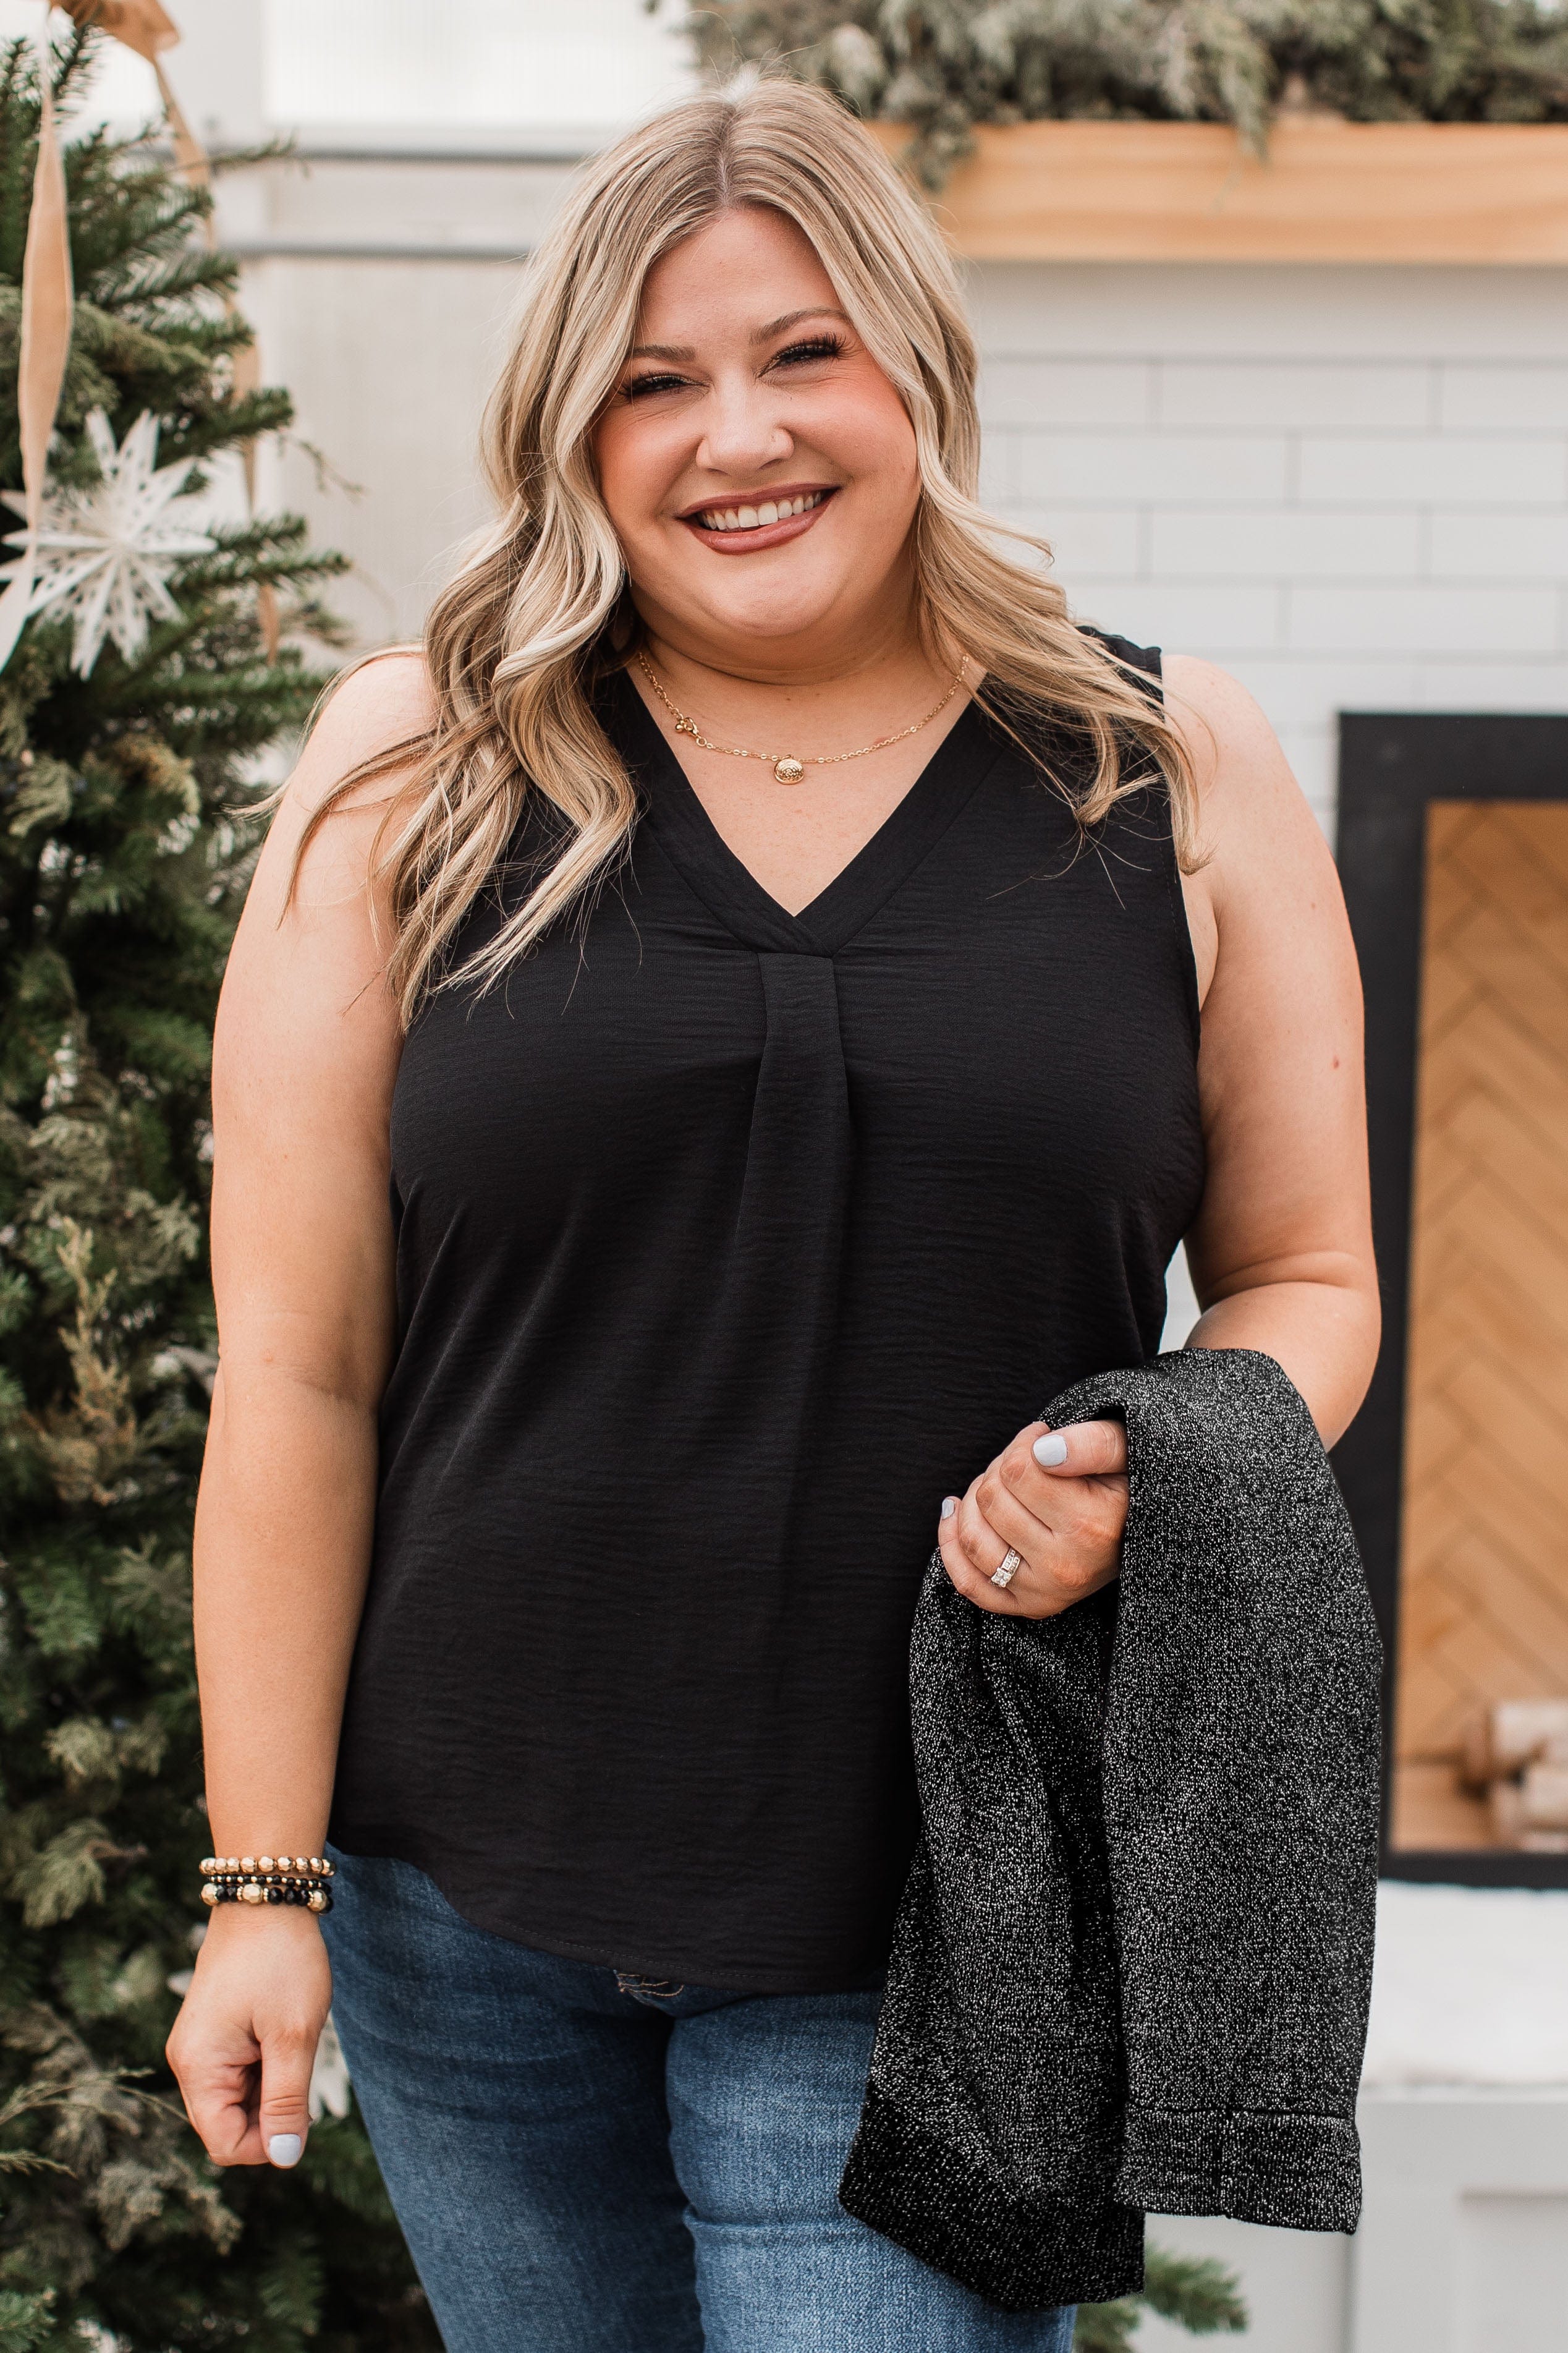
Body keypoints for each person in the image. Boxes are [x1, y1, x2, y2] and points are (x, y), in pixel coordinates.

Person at [166, 78, 1379, 2353]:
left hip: (935, 1910)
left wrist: (1157, 1460)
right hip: (464, 1910)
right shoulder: (410, 768)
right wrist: (259, 1886)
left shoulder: (1160, 764)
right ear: (573, 433)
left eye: (802, 352)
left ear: (914, 367)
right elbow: (303, 1371)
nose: (737, 435)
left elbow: (1305, 1278)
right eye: (654, 381)